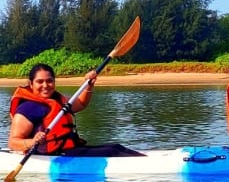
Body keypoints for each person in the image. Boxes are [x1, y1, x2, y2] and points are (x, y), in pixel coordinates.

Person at [8, 63, 142, 157]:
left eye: (49, 81)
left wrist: (89, 85)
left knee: (115, 147)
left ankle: (144, 159)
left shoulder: (57, 100)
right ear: (31, 84)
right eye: (40, 82)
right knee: (113, 152)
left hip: (69, 149)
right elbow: (13, 143)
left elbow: (81, 104)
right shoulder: (27, 108)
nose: (45, 85)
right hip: (50, 155)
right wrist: (32, 142)